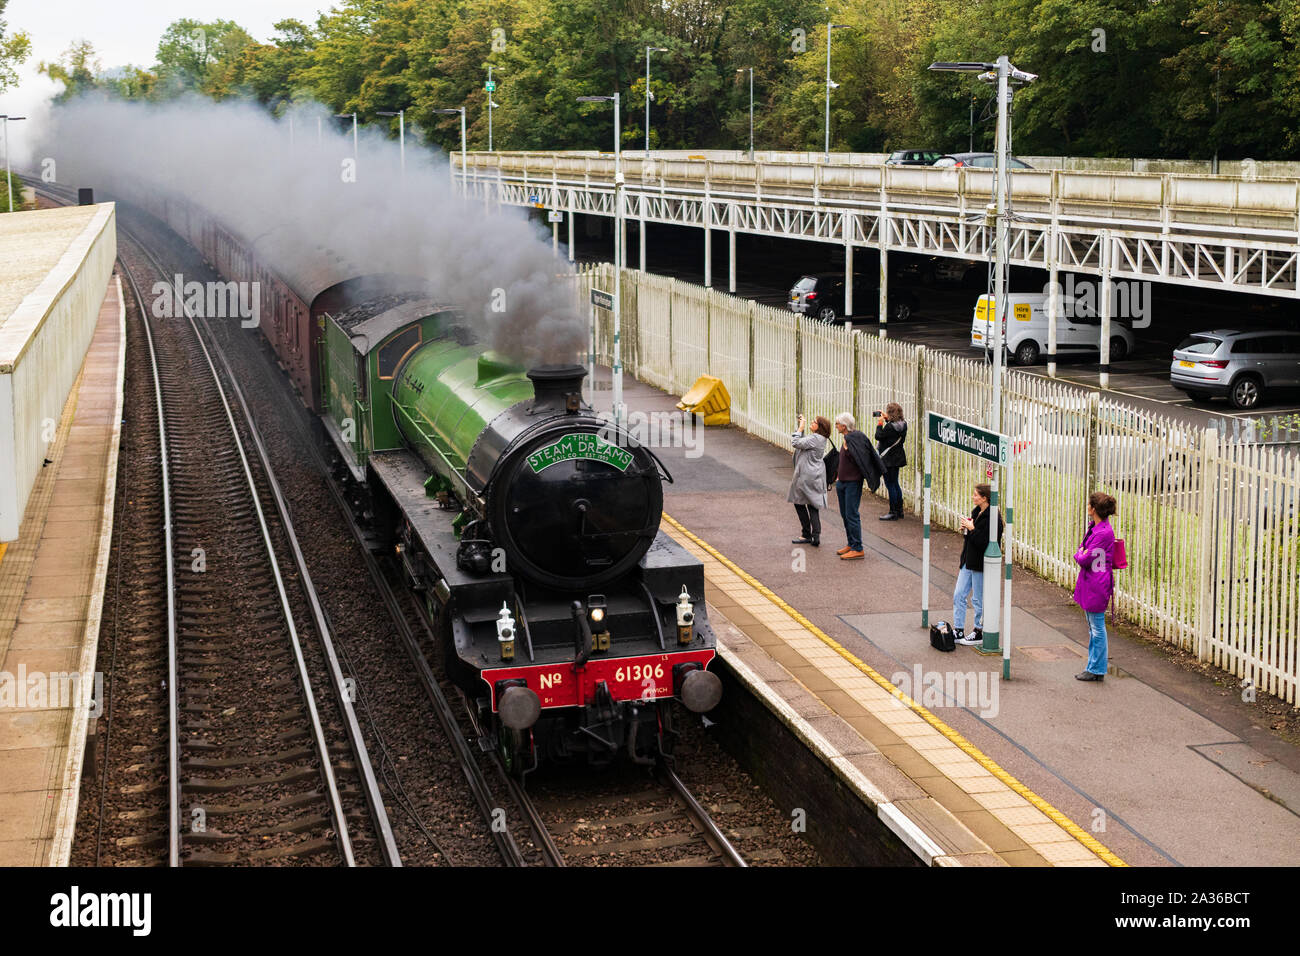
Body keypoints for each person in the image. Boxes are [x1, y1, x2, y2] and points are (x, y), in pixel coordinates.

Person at [1073, 492, 1117, 681]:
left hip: (1096, 584)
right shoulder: (1098, 528)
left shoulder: (1102, 533)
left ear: (1094, 509)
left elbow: (1084, 558)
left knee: (1097, 627)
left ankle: (1097, 668)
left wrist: (1078, 554)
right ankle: (1094, 665)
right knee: (1094, 626)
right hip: (1093, 581)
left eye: (1089, 504)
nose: (1087, 507)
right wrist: (1081, 552)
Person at [953, 483, 1004, 646]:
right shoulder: (976, 512)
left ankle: (979, 630)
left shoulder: (993, 518)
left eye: (975, 495)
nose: (973, 497)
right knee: (959, 594)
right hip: (968, 560)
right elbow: (972, 538)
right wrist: (966, 529)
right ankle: (958, 629)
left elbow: (984, 542)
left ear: (984, 498)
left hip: (980, 564)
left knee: (978, 599)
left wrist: (972, 528)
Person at [832, 412, 884, 561]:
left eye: (837, 424)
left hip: (852, 483)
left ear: (844, 426)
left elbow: (863, 458)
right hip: (842, 482)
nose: (836, 426)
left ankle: (858, 548)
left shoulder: (854, 438)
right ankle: (851, 543)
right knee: (844, 514)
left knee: (852, 514)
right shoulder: (847, 438)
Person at [789, 414, 830, 546]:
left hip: (806, 475)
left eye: (814, 422)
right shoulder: (820, 438)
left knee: (798, 501)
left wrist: (800, 428)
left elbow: (795, 443)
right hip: (816, 474)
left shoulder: (815, 438)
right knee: (813, 505)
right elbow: (804, 443)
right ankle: (815, 536)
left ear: (820, 427)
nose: (811, 423)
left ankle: (806, 533)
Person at [875, 403, 908, 521]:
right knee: (895, 483)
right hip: (898, 457)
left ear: (890, 414)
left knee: (890, 485)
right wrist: (887, 419)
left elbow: (878, 436)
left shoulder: (889, 428)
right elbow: (893, 435)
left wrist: (880, 423)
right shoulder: (904, 425)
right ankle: (900, 511)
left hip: (888, 459)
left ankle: (892, 512)